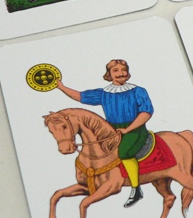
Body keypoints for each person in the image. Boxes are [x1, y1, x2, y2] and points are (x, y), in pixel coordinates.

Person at [56, 59, 153, 208]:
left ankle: (136, 189)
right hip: (112, 131)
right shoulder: (104, 93)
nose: (120, 73)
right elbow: (80, 96)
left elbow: (146, 112)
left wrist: (128, 130)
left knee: (124, 153)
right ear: (109, 74)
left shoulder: (138, 91)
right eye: (116, 70)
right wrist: (61, 87)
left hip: (135, 129)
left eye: (123, 70)